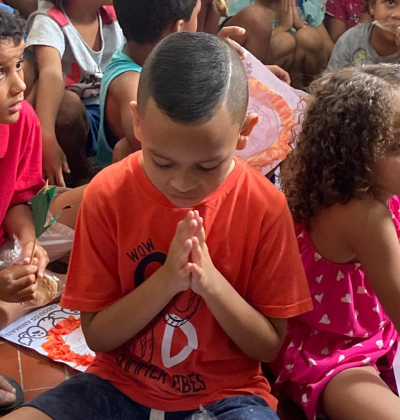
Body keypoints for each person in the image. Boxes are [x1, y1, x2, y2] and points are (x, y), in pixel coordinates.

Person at [5, 32, 312, 420]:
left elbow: (267, 346)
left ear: (244, 132)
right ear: (138, 122)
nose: (182, 183)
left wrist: (209, 281)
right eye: (162, 162)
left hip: (226, 395)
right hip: (116, 386)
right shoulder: (108, 193)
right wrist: (167, 280)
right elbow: (98, 336)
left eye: (207, 166)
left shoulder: (264, 207)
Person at [277, 64, 400, 420]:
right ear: (356, 151)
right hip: (330, 352)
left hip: (374, 331)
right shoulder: (363, 214)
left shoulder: (355, 186)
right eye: (398, 146)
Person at [0, 9, 81, 412]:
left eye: (18, 64)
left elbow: (17, 197)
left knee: (97, 204)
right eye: (0, 72)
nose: (19, 85)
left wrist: (27, 242)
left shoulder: (21, 120)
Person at [23, 0, 123, 186]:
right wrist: (46, 136)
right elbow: (51, 74)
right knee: (66, 105)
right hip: (79, 121)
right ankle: (80, 175)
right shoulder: (49, 20)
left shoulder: (115, 14)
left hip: (111, 107)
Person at [221, 0, 333, 89]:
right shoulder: (244, 7)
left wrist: (301, 25)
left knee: (308, 36)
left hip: (304, 83)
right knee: (283, 41)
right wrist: (283, 27)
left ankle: (306, 96)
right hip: (263, 82)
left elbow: (331, 52)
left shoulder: (305, 4)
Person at [327, 0, 400, 71]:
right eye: (391, 2)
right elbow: (333, 78)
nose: (398, 15)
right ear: (373, 6)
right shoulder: (350, 41)